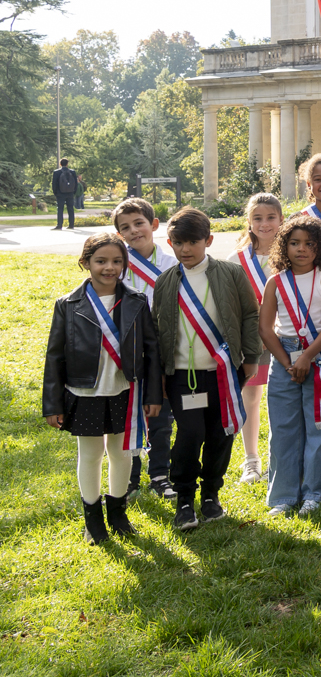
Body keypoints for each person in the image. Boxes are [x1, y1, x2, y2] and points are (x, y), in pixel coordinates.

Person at [44, 233, 162, 543]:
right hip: (86, 393)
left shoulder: (137, 301)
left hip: (125, 390)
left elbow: (151, 352)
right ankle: (92, 519)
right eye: (101, 261)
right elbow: (54, 356)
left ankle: (118, 513)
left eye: (116, 261)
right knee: (91, 454)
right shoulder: (67, 305)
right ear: (86, 263)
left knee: (122, 453)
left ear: (125, 264)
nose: (109, 268)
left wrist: (152, 395)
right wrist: (53, 404)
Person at [152, 208, 262, 531]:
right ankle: (184, 498)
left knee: (221, 432)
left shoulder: (230, 273)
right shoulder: (166, 282)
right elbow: (159, 327)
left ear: (208, 240)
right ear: (170, 242)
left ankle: (211, 494)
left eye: (192, 242)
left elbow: (249, 316)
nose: (185, 249)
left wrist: (251, 355)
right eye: (177, 242)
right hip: (182, 376)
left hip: (224, 373)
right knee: (190, 433)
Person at [258, 215, 321, 517]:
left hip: (318, 357)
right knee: (283, 427)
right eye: (294, 243)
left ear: (320, 247)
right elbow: (266, 328)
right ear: (284, 246)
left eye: (309, 243)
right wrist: (287, 362)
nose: (301, 249)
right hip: (284, 356)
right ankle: (283, 496)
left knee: (319, 426)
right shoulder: (276, 282)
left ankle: (319, 492)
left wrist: (307, 357)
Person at [112, 198, 177, 501]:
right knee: (130, 413)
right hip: (128, 350)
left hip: (163, 349)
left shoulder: (171, 263)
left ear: (153, 225)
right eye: (125, 227)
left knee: (161, 414)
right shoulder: (115, 263)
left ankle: (160, 474)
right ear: (119, 235)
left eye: (139, 223)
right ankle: (130, 477)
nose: (133, 230)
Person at [234, 192, 282, 484]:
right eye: (257, 218)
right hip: (251, 341)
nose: (264, 224)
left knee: (281, 400)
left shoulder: (294, 253)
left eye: (271, 217)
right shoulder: (235, 260)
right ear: (249, 222)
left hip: (287, 337)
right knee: (250, 397)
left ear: (281, 220)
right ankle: (251, 460)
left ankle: (280, 458)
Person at [51, 158, 79, 229]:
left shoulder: (56, 172)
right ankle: (71, 225)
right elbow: (76, 183)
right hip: (70, 193)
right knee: (70, 209)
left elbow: (54, 184)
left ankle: (59, 225)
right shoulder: (72, 172)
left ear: (60, 164)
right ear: (67, 164)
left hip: (60, 193)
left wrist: (56, 193)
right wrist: (73, 192)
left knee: (60, 209)